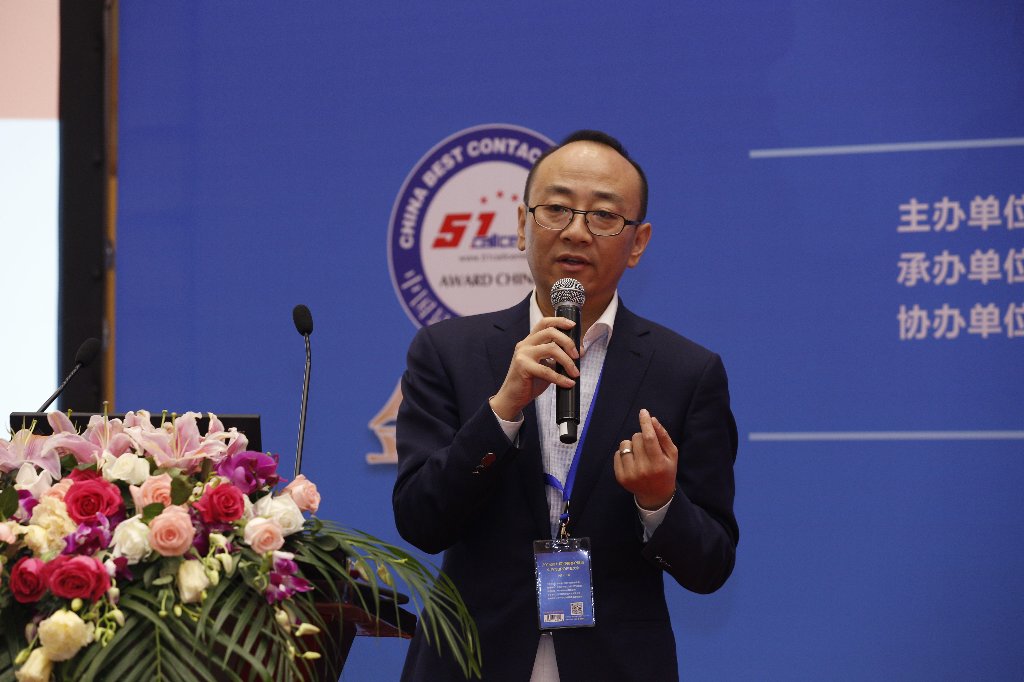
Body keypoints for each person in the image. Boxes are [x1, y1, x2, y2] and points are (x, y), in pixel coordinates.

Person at [393, 130, 738, 681]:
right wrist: (502, 412)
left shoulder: (686, 373)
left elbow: (711, 564)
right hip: (470, 662)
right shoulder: (447, 351)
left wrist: (659, 502)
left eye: (604, 216)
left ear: (638, 242)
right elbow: (420, 521)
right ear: (522, 224)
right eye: (556, 209)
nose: (576, 231)